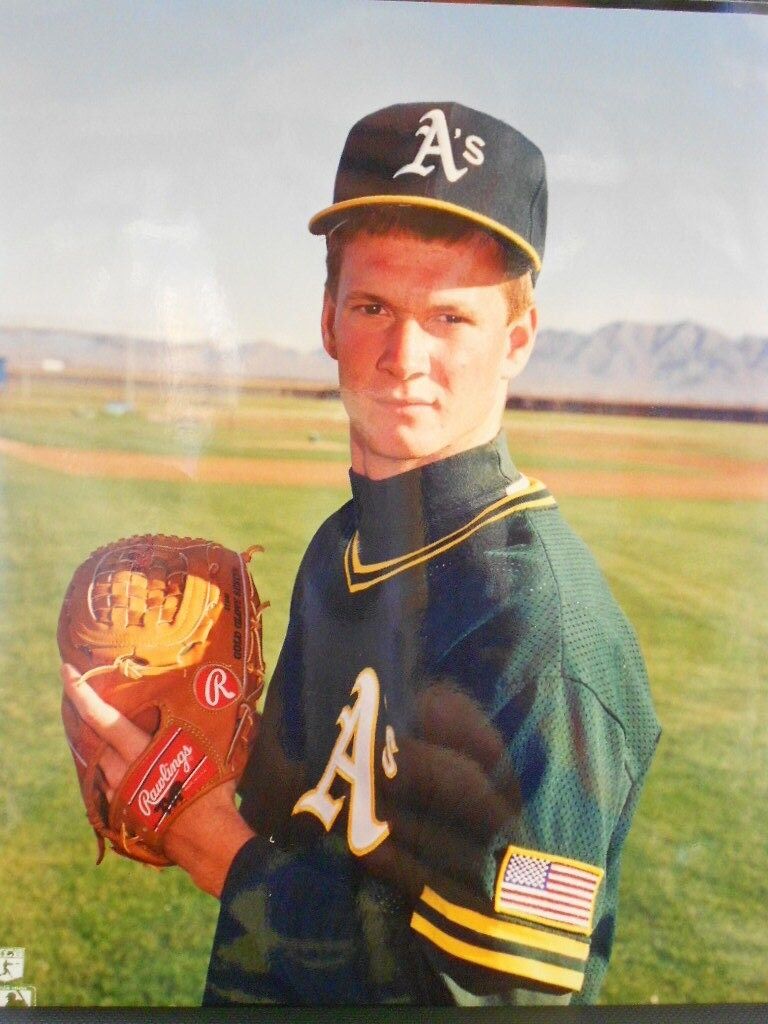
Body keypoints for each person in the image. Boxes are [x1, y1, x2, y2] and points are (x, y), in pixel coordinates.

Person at [62, 101, 660, 1006]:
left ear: (519, 342)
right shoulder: (342, 548)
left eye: (451, 318)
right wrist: (189, 757)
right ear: (329, 322)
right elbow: (308, 819)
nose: (403, 354)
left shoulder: (541, 636)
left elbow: (481, 999)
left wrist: (210, 846)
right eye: (373, 305)